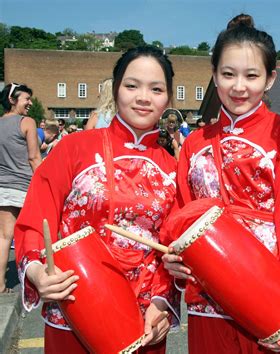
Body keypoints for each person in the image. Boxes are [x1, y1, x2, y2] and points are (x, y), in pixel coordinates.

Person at [162, 14, 280, 354]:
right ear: (214, 75)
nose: (239, 86)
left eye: (252, 75)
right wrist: (173, 254)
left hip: (268, 290)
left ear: (270, 79)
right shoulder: (194, 143)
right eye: (228, 74)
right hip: (208, 290)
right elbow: (180, 214)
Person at [14, 46, 179, 353]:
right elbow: (37, 217)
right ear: (116, 89)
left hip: (143, 319)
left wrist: (162, 303)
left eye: (156, 89)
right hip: (74, 307)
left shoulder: (173, 169)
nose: (143, 97)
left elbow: (173, 252)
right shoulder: (74, 148)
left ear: (168, 99)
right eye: (132, 85)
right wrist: (37, 271)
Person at [0, 83, 41, 293]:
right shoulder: (27, 122)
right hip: (24, 187)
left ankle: (0, 284)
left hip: (2, 187)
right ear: (12, 100)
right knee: (34, 233)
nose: (30, 103)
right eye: (26, 99)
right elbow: (34, 157)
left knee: (4, 237)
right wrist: (46, 182)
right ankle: (36, 279)